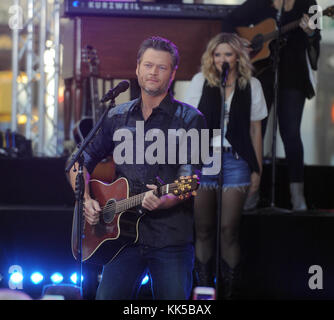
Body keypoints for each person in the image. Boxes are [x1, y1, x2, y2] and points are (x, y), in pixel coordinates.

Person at [69, 36, 206, 300]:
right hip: (119, 241)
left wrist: (166, 199)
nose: (153, 72)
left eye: (162, 67)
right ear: (137, 68)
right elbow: (78, 161)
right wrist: (86, 200)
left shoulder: (191, 119)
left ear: (173, 73)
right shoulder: (116, 115)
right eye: (148, 65)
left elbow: (190, 179)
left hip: (171, 239)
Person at [184, 33, 267, 299]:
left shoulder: (251, 85)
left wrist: (257, 169)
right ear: (211, 57)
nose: (222, 59)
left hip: (236, 160)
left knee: (229, 230)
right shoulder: (201, 82)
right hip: (205, 159)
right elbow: (189, 124)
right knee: (204, 228)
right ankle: (205, 290)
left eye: (227, 54)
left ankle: (230, 291)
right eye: (217, 55)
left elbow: (256, 130)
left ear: (237, 57)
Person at [220, 0, 321, 211]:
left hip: (293, 74)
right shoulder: (260, 2)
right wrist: (238, 42)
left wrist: (310, 34)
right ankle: (251, 192)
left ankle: (297, 197)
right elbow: (230, 20)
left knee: (291, 133)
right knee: (257, 130)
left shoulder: (309, 4)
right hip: (262, 75)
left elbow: (315, 43)